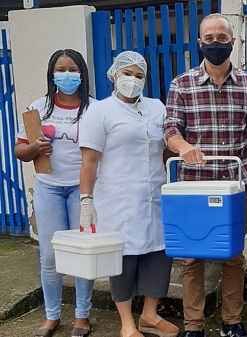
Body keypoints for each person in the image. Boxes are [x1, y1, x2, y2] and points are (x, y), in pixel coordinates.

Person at [163, 13, 247, 337]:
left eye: (222, 38)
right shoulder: (182, 84)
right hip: (194, 188)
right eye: (210, 38)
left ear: (233, 43)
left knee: (233, 255)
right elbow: (171, 130)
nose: (216, 43)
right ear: (200, 43)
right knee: (192, 258)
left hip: (236, 188)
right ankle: (193, 326)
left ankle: (231, 322)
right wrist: (183, 147)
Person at [78, 51, 179, 337]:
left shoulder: (157, 107)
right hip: (117, 199)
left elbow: (167, 144)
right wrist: (86, 200)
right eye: (127, 74)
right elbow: (89, 161)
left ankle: (150, 315)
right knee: (123, 259)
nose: (132, 81)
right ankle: (126, 323)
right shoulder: (100, 111)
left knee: (159, 254)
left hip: (155, 195)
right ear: (114, 75)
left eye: (138, 76)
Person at [14, 49, 94, 337]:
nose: (67, 75)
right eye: (61, 69)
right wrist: (35, 148)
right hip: (49, 189)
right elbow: (20, 150)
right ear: (52, 74)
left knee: (83, 253)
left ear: (82, 73)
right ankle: (52, 316)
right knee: (49, 255)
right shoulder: (39, 108)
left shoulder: (94, 109)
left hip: (83, 191)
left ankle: (82, 316)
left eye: (73, 69)